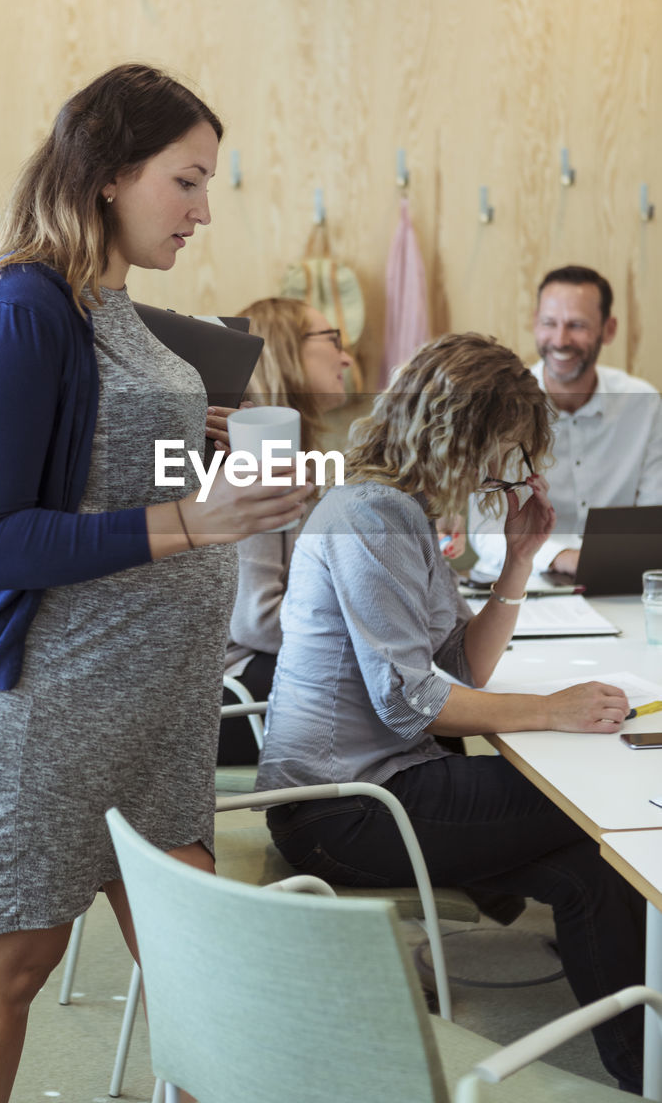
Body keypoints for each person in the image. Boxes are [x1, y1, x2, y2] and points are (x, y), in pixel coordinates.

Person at [0, 64, 313, 1103]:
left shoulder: (112, 299)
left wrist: (218, 467)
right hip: (37, 702)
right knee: (13, 963)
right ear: (108, 174)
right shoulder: (18, 306)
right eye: (186, 181)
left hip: (147, 700)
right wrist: (195, 518)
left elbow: (102, 466)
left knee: (198, 958)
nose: (203, 210)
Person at [255, 332, 645, 1092]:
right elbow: (411, 705)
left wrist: (519, 562)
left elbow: (458, 669)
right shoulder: (369, 514)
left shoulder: (396, 507)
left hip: (384, 787)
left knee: (583, 872)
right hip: (345, 811)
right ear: (465, 434)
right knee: (599, 804)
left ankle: (641, 1064)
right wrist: (550, 711)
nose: (513, 470)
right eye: (509, 449)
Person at [209, 296, 353, 764]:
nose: (346, 356)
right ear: (287, 351)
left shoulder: (295, 460)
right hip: (236, 696)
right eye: (332, 340)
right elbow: (255, 618)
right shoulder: (253, 463)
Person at [469, 264, 662, 581]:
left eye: (576, 325)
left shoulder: (644, 403)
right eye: (549, 323)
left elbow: (654, 517)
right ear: (535, 323)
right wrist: (561, 556)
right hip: (517, 583)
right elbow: (483, 529)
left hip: (618, 579)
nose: (560, 340)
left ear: (608, 329)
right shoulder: (497, 407)